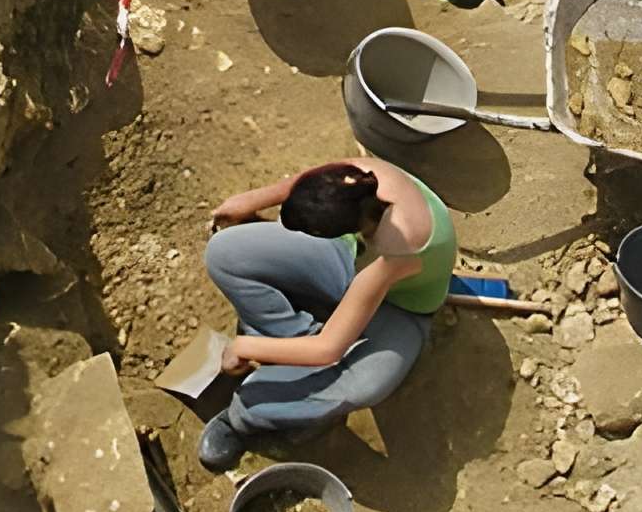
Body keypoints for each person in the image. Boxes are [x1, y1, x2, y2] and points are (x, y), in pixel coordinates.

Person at [192, 157, 454, 470]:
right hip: (352, 255)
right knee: (225, 253)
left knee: (364, 384)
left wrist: (243, 348)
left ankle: (245, 416)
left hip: (399, 305)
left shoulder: (396, 250)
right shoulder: (363, 179)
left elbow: (328, 349)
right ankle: (294, 341)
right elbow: (307, 180)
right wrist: (251, 200)